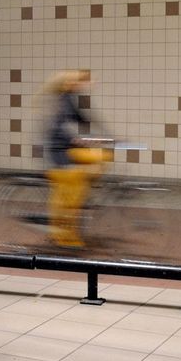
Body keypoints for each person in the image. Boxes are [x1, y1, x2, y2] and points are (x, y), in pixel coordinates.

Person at [43, 69, 110, 249]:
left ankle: (82, 197)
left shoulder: (70, 99)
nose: (83, 83)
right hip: (60, 152)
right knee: (73, 186)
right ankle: (64, 234)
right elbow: (60, 128)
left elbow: (85, 120)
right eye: (78, 81)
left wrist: (104, 136)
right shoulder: (61, 102)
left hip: (68, 148)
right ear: (67, 84)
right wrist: (78, 140)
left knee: (102, 156)